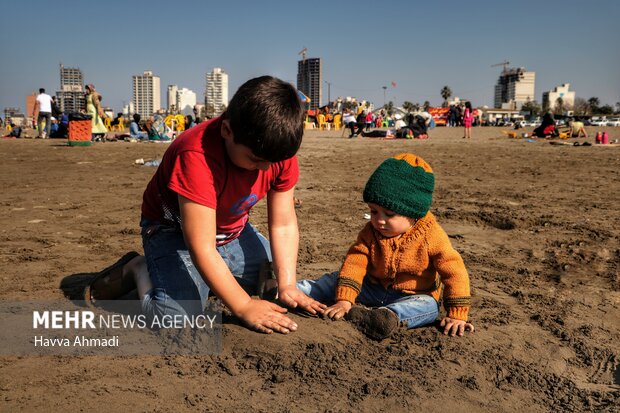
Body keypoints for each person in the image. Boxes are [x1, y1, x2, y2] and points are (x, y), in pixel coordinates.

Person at [87, 76, 325, 334]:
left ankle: (203, 279)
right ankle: (140, 269)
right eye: (256, 160)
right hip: (173, 233)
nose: (267, 168)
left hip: (231, 232)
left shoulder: (276, 149)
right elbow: (200, 246)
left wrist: (288, 284)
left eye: (274, 161)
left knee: (270, 283)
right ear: (227, 131)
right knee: (177, 321)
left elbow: (283, 224)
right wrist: (244, 306)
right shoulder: (197, 155)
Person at [297, 153, 474, 340]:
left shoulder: (432, 235)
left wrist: (457, 314)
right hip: (371, 287)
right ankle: (289, 290)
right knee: (332, 281)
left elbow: (455, 272)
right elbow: (355, 263)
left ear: (414, 213)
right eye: (373, 211)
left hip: (412, 295)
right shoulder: (370, 232)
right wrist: (344, 300)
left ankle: (386, 317)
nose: (379, 220)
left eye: (389, 214)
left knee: (428, 307)